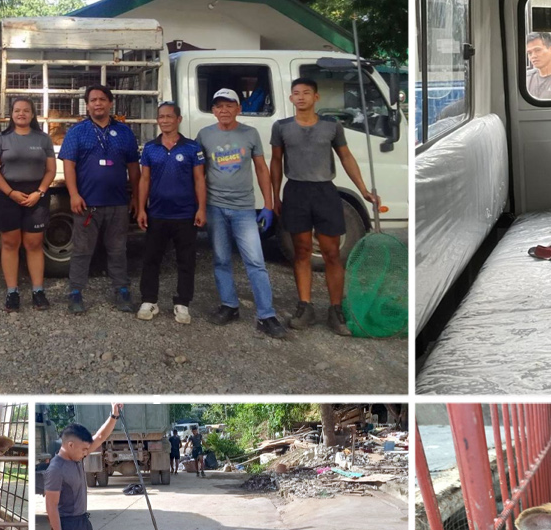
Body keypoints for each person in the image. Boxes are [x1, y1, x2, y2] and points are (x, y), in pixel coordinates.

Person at [270, 77, 381, 335]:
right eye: (296, 93)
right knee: (302, 252)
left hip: (325, 192)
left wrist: (364, 190)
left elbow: (346, 157)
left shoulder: (331, 126)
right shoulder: (282, 127)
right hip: (296, 191)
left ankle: (335, 309)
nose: (301, 97)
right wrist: (274, 196)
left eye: (306, 93)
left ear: (316, 98)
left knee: (332, 253)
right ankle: (305, 306)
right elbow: (276, 162)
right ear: (290, 98)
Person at [197, 89, 288, 338]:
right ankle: (229, 306)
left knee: (256, 263)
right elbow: (199, 174)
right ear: (213, 111)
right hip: (215, 207)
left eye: (229, 105)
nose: (224, 110)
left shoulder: (250, 133)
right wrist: (200, 207)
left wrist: (268, 205)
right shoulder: (204, 135)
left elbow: (261, 168)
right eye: (219, 106)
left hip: (244, 209)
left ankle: (266, 315)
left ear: (239, 108)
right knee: (221, 260)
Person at [59, 84, 140, 315]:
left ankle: (121, 289)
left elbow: (134, 168)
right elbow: (69, 165)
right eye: (93, 100)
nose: (97, 103)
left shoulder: (124, 132)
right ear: (87, 104)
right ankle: (75, 292)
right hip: (87, 203)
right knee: (82, 250)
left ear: (110, 103)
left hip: (118, 204)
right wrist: (73, 194)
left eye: (102, 99)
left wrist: (135, 196)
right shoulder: (77, 132)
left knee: (117, 249)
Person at [136, 101, 206, 323]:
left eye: (169, 116)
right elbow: (144, 180)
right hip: (157, 213)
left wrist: (201, 208)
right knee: (151, 259)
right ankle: (149, 300)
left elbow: (199, 180)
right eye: (161, 117)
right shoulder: (150, 148)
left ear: (179, 119)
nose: (164, 120)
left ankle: (182, 303)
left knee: (186, 260)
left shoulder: (192, 148)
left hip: (185, 214)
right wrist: (141, 209)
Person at [0, 98, 57, 313]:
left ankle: (38, 291)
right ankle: (12, 292)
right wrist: (10, 192)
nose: (21, 114)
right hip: (7, 194)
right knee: (10, 243)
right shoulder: (1, 138)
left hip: (36, 195)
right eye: (17, 110)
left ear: (33, 114)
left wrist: (40, 192)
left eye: (26, 110)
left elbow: (50, 170)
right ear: (12, 114)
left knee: (34, 244)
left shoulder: (43, 139)